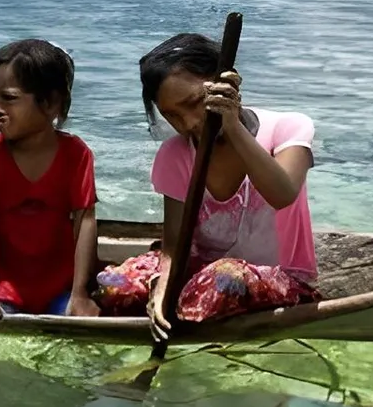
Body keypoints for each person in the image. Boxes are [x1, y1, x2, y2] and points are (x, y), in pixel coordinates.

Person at [107, 33, 316, 329]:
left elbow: (282, 193)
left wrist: (232, 125)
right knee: (116, 285)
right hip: (200, 274)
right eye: (172, 116)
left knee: (223, 279)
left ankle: (185, 316)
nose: (189, 123)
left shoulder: (288, 128)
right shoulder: (175, 154)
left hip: (281, 278)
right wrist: (163, 289)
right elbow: (174, 247)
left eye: (194, 103)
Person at [0, 39, 100, 317]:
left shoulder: (76, 154)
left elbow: (84, 223)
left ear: (50, 103)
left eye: (9, 99)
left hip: (59, 288)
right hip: (2, 290)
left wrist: (80, 294)